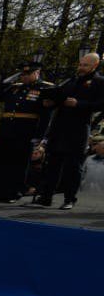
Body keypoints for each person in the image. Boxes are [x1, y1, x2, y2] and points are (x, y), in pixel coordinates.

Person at [37, 52, 104, 209]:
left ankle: (69, 199)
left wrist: (79, 104)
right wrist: (50, 103)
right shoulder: (70, 81)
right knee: (52, 164)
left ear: (95, 65)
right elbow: (60, 97)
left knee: (73, 167)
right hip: (59, 127)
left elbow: (101, 104)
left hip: (78, 128)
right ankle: (46, 197)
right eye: (80, 64)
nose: (81, 67)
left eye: (85, 65)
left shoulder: (99, 82)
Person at [0, 60, 54, 204]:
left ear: (36, 73)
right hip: (7, 130)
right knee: (3, 162)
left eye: (27, 73)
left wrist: (39, 136)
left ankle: (14, 192)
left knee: (19, 163)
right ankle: (0, 192)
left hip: (25, 132)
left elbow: (45, 116)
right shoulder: (14, 87)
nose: (23, 76)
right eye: (22, 74)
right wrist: (7, 81)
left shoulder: (45, 89)